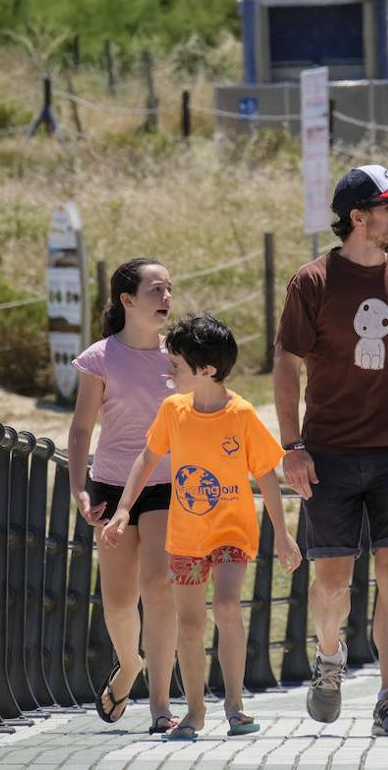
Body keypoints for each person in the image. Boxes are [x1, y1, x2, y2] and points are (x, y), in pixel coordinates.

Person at [274, 164, 388, 737]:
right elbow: (285, 363)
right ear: (359, 217)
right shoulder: (313, 281)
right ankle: (330, 661)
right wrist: (292, 446)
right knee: (331, 578)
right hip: (326, 453)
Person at [102, 314, 302, 740]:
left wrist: (283, 534)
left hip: (233, 530)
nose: (167, 372)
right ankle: (194, 712)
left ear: (206, 370)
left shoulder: (242, 413)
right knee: (189, 622)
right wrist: (123, 509)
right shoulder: (173, 410)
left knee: (228, 606)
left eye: (175, 365)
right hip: (186, 536)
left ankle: (235, 706)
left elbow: (266, 473)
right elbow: (147, 459)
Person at [68, 259, 178, 731]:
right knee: (117, 599)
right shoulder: (99, 357)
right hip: (111, 485)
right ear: (127, 301)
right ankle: (128, 664)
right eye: (156, 290)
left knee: (158, 585)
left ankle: (160, 707)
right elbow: (80, 429)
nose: (166, 298)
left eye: (170, 289)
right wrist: (78, 487)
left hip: (167, 484)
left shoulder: (179, 354)